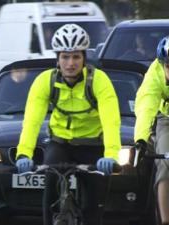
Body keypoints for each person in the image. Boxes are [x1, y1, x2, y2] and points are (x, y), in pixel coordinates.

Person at [15, 24, 121, 225]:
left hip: (93, 146)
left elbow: (111, 122)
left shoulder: (99, 81)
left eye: (76, 57)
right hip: (60, 144)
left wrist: (111, 155)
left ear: (84, 58)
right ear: (57, 58)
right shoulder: (44, 81)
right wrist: (23, 154)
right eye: (65, 57)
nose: (70, 63)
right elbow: (31, 122)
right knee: (50, 191)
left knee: (94, 204)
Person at [134, 35, 169, 225]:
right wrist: (140, 139)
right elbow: (146, 107)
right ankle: (165, 220)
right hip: (167, 118)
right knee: (165, 162)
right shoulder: (154, 76)